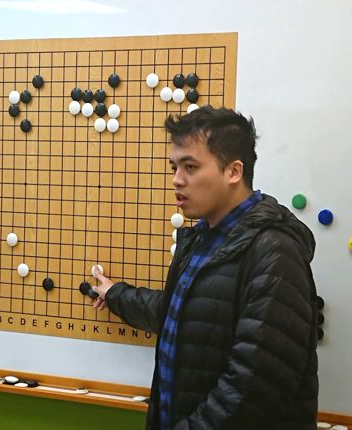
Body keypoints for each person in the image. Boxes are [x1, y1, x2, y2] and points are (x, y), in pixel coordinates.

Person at [91, 106, 319, 429]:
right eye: (174, 167)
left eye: (191, 167)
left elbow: (251, 394)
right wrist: (116, 294)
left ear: (233, 171)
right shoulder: (201, 240)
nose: (176, 180)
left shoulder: (275, 253)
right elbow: (181, 314)